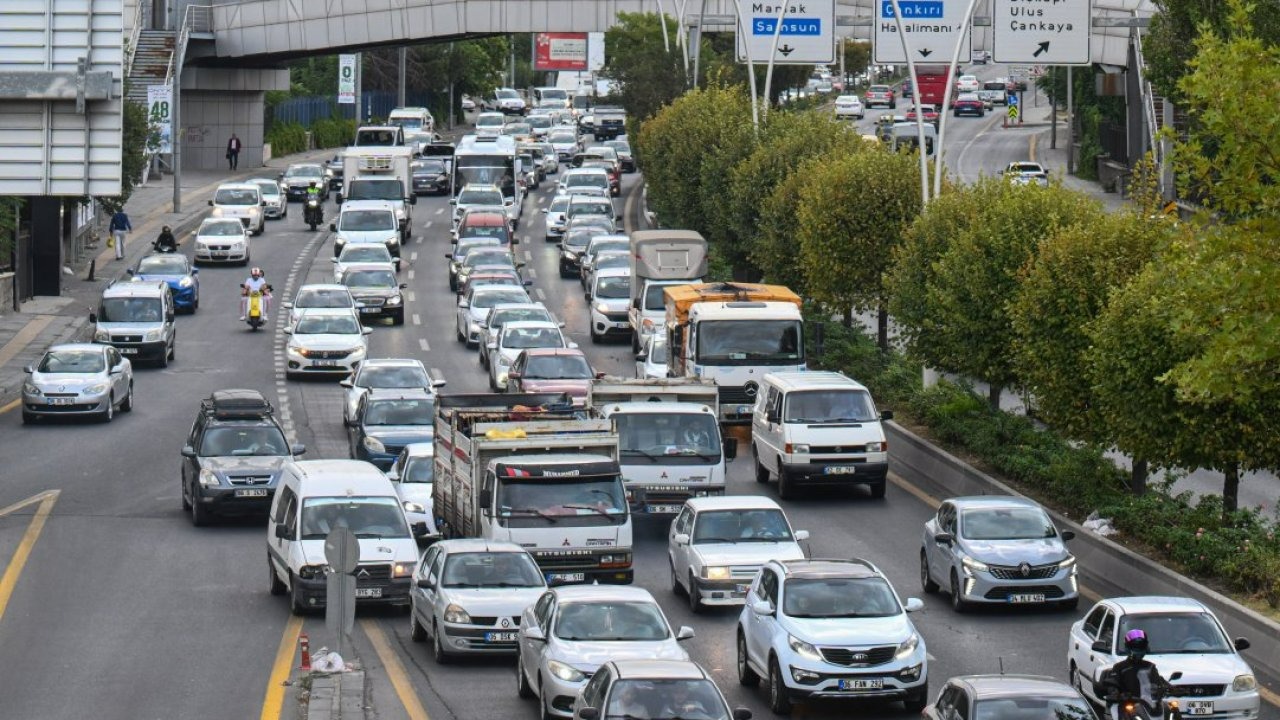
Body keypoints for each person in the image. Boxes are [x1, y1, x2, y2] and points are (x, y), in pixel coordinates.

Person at [1098, 629, 1170, 720]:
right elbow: (1112, 683)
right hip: (1127, 705)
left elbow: (1158, 681)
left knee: (1171, 710)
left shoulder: (1150, 666)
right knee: (1116, 714)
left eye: (1141, 646)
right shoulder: (1120, 667)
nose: (1139, 649)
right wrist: (1115, 692)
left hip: (1149, 705)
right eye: (1136, 646)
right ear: (1128, 647)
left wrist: (1169, 688)